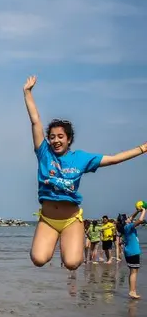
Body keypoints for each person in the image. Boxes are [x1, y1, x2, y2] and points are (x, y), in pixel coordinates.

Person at [23, 75, 147, 270]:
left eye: (61, 137)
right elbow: (35, 121)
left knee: (72, 263)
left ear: (69, 139)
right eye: (52, 137)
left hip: (71, 218)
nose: (56, 140)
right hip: (48, 219)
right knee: (38, 259)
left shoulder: (81, 158)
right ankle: (53, 240)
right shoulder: (44, 153)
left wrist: (142, 148)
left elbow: (114, 159)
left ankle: (69, 241)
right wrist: (27, 92)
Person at [121, 208, 145, 299]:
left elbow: (131, 217)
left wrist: (137, 211)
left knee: (132, 272)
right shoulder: (128, 226)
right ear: (125, 221)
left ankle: (132, 290)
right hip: (133, 252)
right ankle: (132, 291)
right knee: (134, 272)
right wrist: (144, 210)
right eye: (127, 218)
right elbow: (140, 220)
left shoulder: (126, 226)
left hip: (129, 252)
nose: (130, 218)